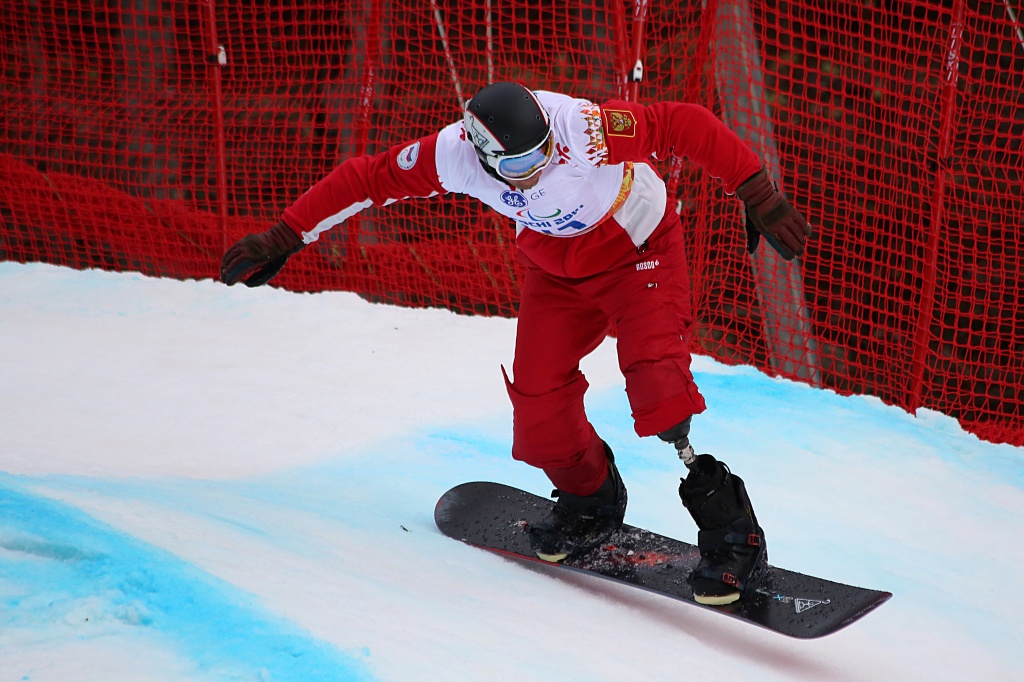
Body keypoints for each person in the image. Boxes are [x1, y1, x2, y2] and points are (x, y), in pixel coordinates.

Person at [221, 82, 812, 606]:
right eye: (521, 160)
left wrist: (756, 191)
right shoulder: (454, 154)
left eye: (541, 152)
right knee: (537, 403)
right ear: (484, 153)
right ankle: (591, 500)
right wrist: (285, 234)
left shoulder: (583, 131)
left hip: (638, 249)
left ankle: (733, 531)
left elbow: (682, 122)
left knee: (657, 384)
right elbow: (369, 178)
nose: (537, 166)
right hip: (556, 267)